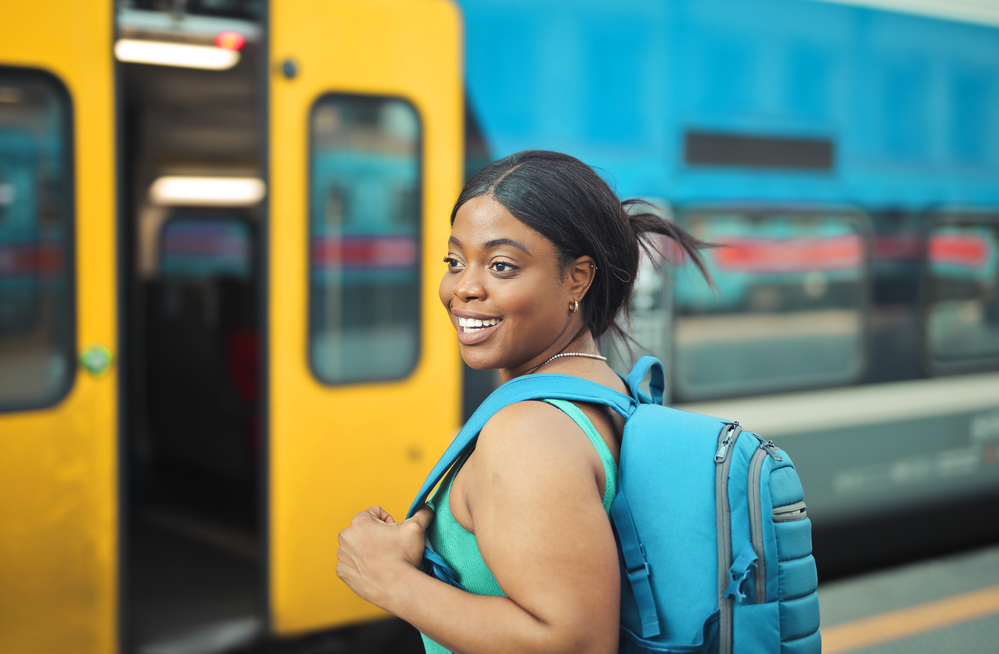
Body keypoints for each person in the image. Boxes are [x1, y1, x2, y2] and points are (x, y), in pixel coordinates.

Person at [336, 150, 710, 654]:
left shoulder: (529, 432)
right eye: (454, 261)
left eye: (502, 265)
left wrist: (388, 580)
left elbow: (574, 643)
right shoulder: (608, 392)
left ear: (577, 278)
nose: (464, 288)